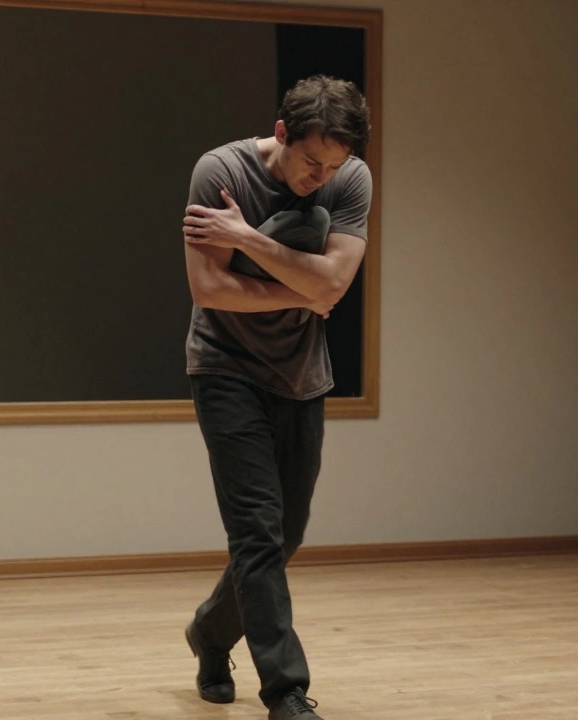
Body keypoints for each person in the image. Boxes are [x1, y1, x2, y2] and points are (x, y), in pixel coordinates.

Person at [179, 74, 373, 720]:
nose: (320, 176)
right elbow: (210, 290)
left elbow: (337, 279)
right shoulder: (219, 172)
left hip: (300, 375)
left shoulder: (351, 182)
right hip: (225, 368)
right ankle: (286, 690)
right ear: (281, 133)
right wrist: (309, 290)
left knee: (286, 534)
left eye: (333, 166)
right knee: (257, 533)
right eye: (310, 161)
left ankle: (210, 630)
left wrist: (249, 242)